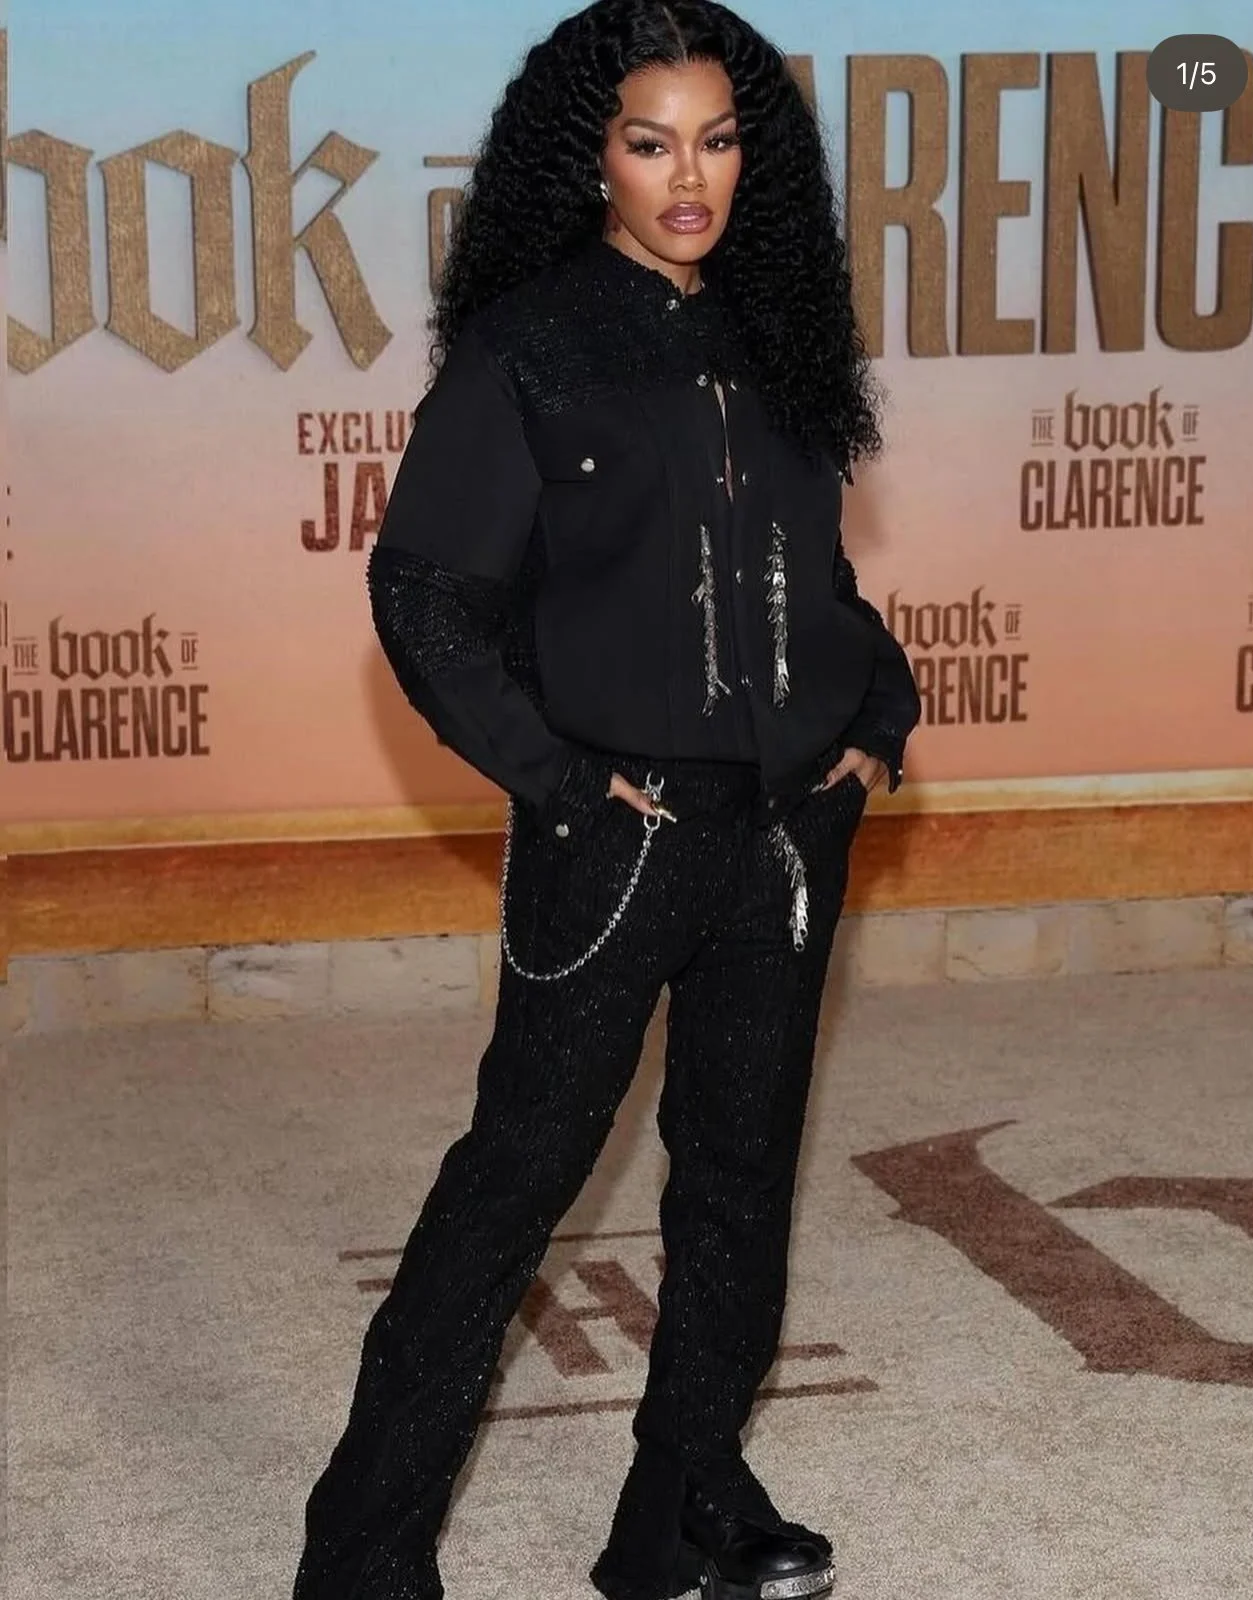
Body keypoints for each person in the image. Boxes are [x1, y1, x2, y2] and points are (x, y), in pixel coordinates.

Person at [292, 4, 921, 1598]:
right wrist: (565, 786)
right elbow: (424, 592)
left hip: (786, 830)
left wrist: (877, 709)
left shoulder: (774, 331)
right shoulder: (531, 344)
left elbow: (813, 573)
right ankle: (361, 1563)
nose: (687, 175)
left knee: (736, 1180)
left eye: (717, 139)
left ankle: (681, 1516)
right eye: (651, 142)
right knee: (512, 1185)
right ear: (593, 160)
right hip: (621, 837)